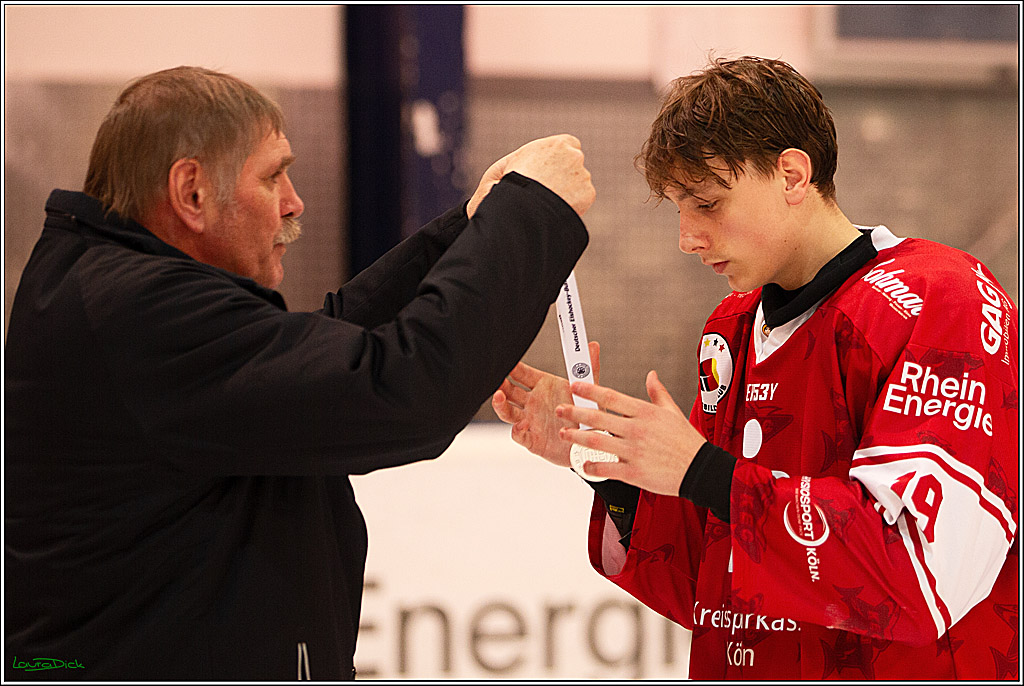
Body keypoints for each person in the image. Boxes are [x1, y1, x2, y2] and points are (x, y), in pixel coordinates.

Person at [4, 65, 595, 681]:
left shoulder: (117, 290)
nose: (294, 202)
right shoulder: (140, 310)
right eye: (272, 176)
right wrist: (533, 215)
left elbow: (327, 354)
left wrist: (472, 226)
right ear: (192, 192)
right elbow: (400, 390)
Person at [492, 56, 1017, 680]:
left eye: (708, 203)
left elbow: (920, 573)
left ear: (792, 174)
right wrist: (616, 473)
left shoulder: (941, 299)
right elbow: (713, 591)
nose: (687, 236)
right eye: (679, 208)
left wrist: (703, 471)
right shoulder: (732, 328)